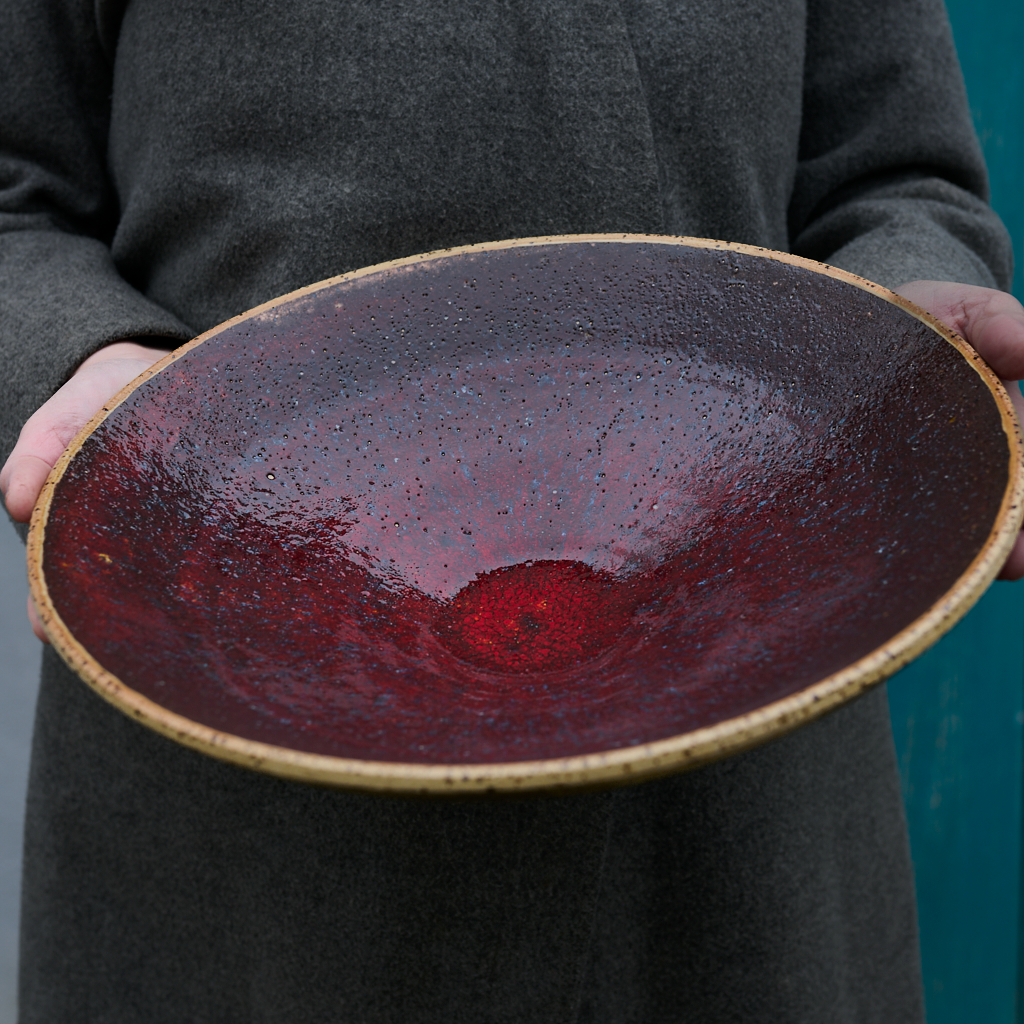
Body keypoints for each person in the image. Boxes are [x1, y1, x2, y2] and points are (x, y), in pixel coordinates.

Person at [2, 1, 1024, 1020]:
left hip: (738, 819)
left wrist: (880, 352)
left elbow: (897, 180)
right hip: (245, 816)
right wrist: (86, 356)